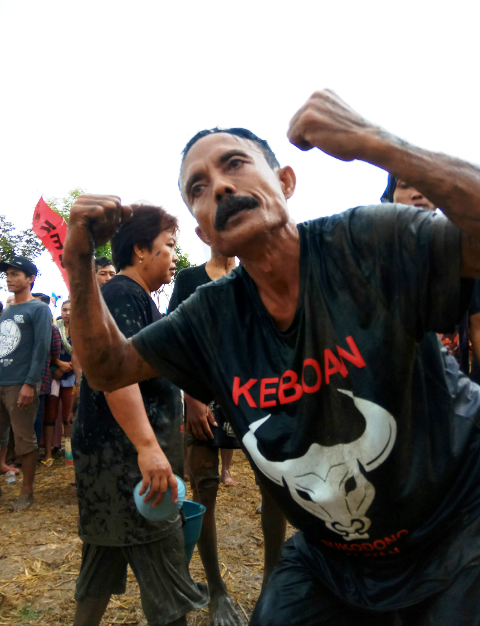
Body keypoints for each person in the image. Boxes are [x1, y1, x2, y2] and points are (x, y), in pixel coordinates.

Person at [64, 90, 480, 624]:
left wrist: (374, 142)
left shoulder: (367, 243)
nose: (220, 186)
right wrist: (78, 257)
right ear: (203, 230)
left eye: (234, 164)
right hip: (332, 558)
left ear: (286, 181)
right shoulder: (210, 316)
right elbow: (106, 368)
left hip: (458, 524)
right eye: (199, 188)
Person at [71, 204, 208, 626]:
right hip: (128, 465)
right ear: (141, 250)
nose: (173, 257)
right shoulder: (124, 295)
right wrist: (149, 448)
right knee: (167, 581)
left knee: (101, 565)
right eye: (168, 246)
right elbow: (116, 377)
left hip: (111, 463)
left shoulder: (132, 297)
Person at [169, 251, 285, 625]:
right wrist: (192, 395)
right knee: (204, 489)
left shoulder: (260, 272)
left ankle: (271, 580)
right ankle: (216, 588)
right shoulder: (189, 279)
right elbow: (177, 337)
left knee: (273, 485)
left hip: (256, 395)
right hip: (206, 395)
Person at [0, 257, 51, 510]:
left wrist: (31, 383)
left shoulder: (39, 309)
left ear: (30, 279)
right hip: (1, 380)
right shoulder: (7, 311)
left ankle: (27, 491)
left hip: (21, 383)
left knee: (24, 439)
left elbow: (41, 348)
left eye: (14, 273)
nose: (8, 278)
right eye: (7, 274)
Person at [42, 300, 76, 466]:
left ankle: (69, 454)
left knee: (68, 416)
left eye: (70, 310)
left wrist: (67, 367)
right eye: (64, 309)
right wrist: (59, 365)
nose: (67, 313)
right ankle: (48, 452)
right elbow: (49, 350)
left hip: (72, 377)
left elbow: (81, 353)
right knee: (50, 414)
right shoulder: (54, 328)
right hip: (54, 376)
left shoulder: (81, 329)